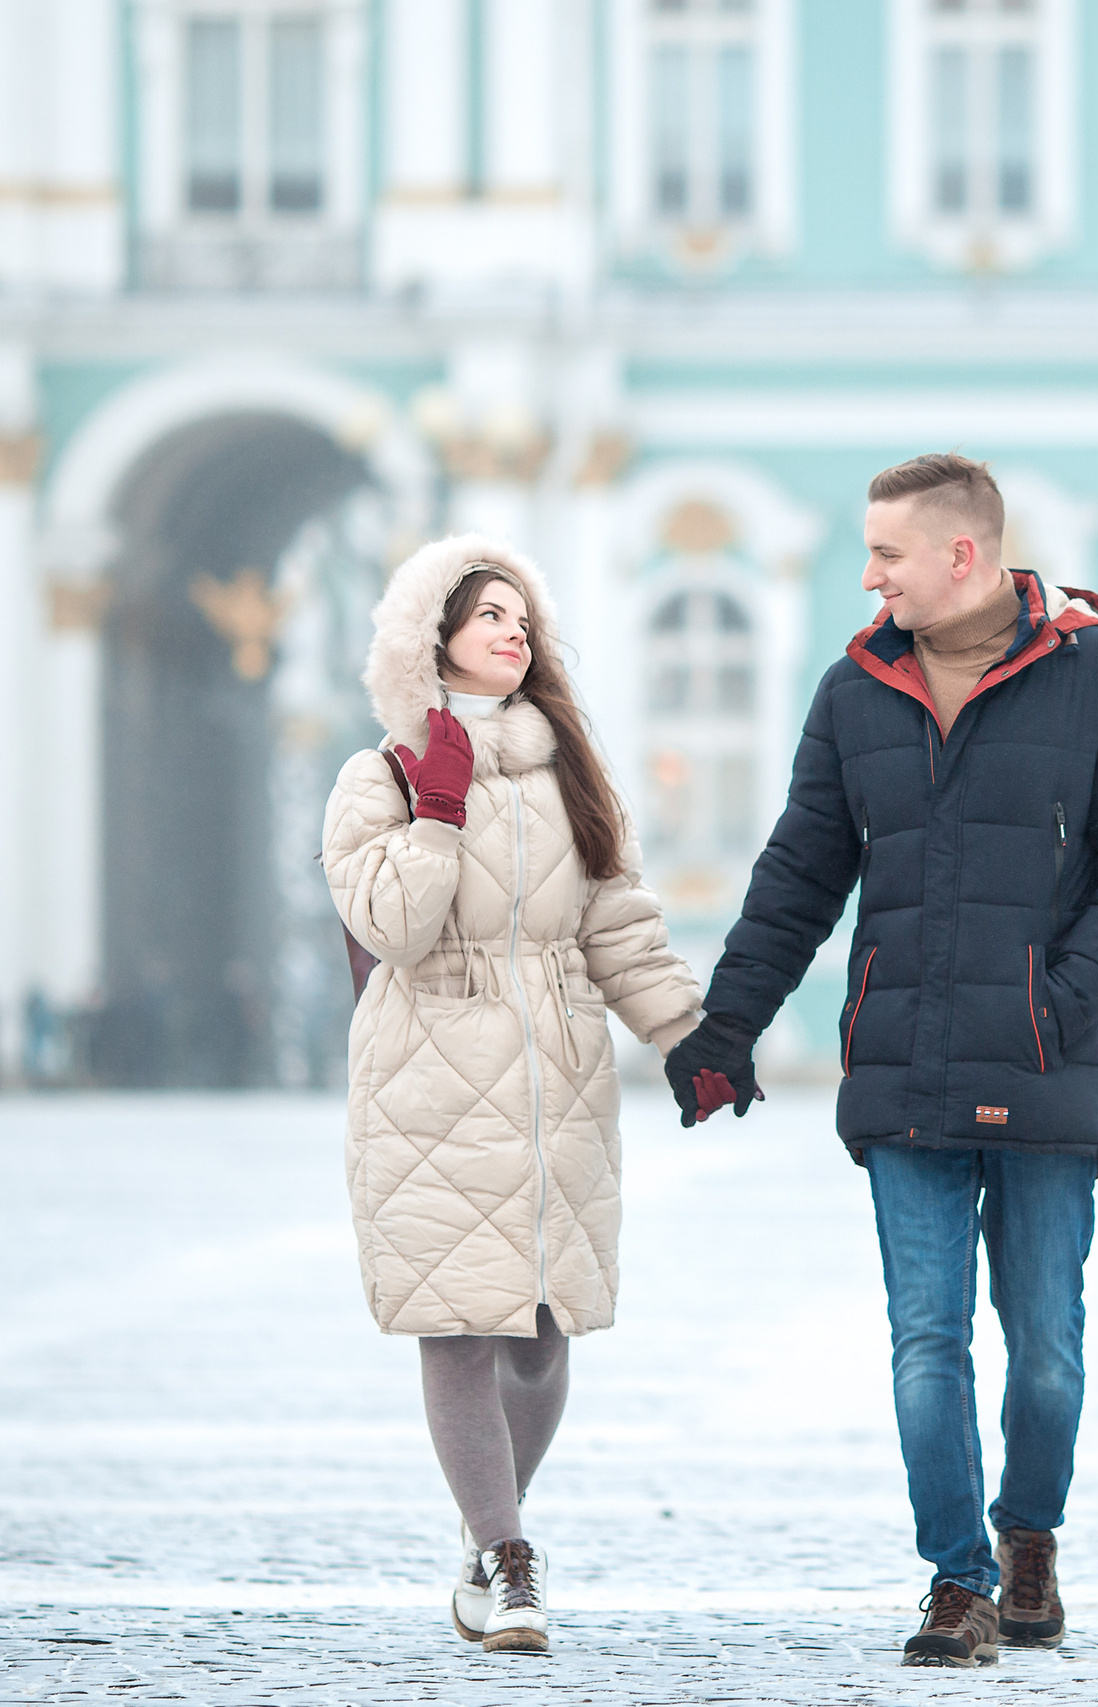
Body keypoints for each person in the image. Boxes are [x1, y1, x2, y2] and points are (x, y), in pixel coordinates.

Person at [665, 453, 1098, 1666]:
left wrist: (1061, 998)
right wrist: (727, 1026)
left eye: (888, 554)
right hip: (902, 1068)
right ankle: (956, 1582)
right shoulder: (856, 692)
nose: (869, 576)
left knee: (1047, 1349)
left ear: (963, 555)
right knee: (925, 1339)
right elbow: (799, 876)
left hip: (1049, 1067)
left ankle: (1029, 1541)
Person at [323, 535, 704, 1655]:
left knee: (540, 1333)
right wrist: (436, 812)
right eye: (487, 615)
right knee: (459, 1325)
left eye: (521, 618)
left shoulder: (571, 771)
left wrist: (687, 1037)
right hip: (430, 1070)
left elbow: (616, 924)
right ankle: (506, 1555)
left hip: (558, 1072)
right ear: (429, 638)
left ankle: (489, 1531)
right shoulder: (377, 778)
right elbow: (390, 928)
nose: (512, 632)